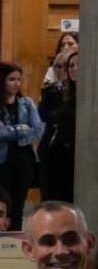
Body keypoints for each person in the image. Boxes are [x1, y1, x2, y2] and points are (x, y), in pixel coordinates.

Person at [0, 62, 42, 229]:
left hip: (23, 159)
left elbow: (37, 130)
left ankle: (14, 245)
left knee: (18, 207)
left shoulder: (27, 103)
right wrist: (22, 129)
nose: (16, 83)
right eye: (11, 79)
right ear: (1, 81)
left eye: (18, 79)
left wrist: (12, 131)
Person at [42, 52, 79, 203]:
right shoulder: (64, 94)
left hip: (80, 155)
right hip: (60, 154)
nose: (74, 69)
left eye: (79, 65)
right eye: (71, 65)